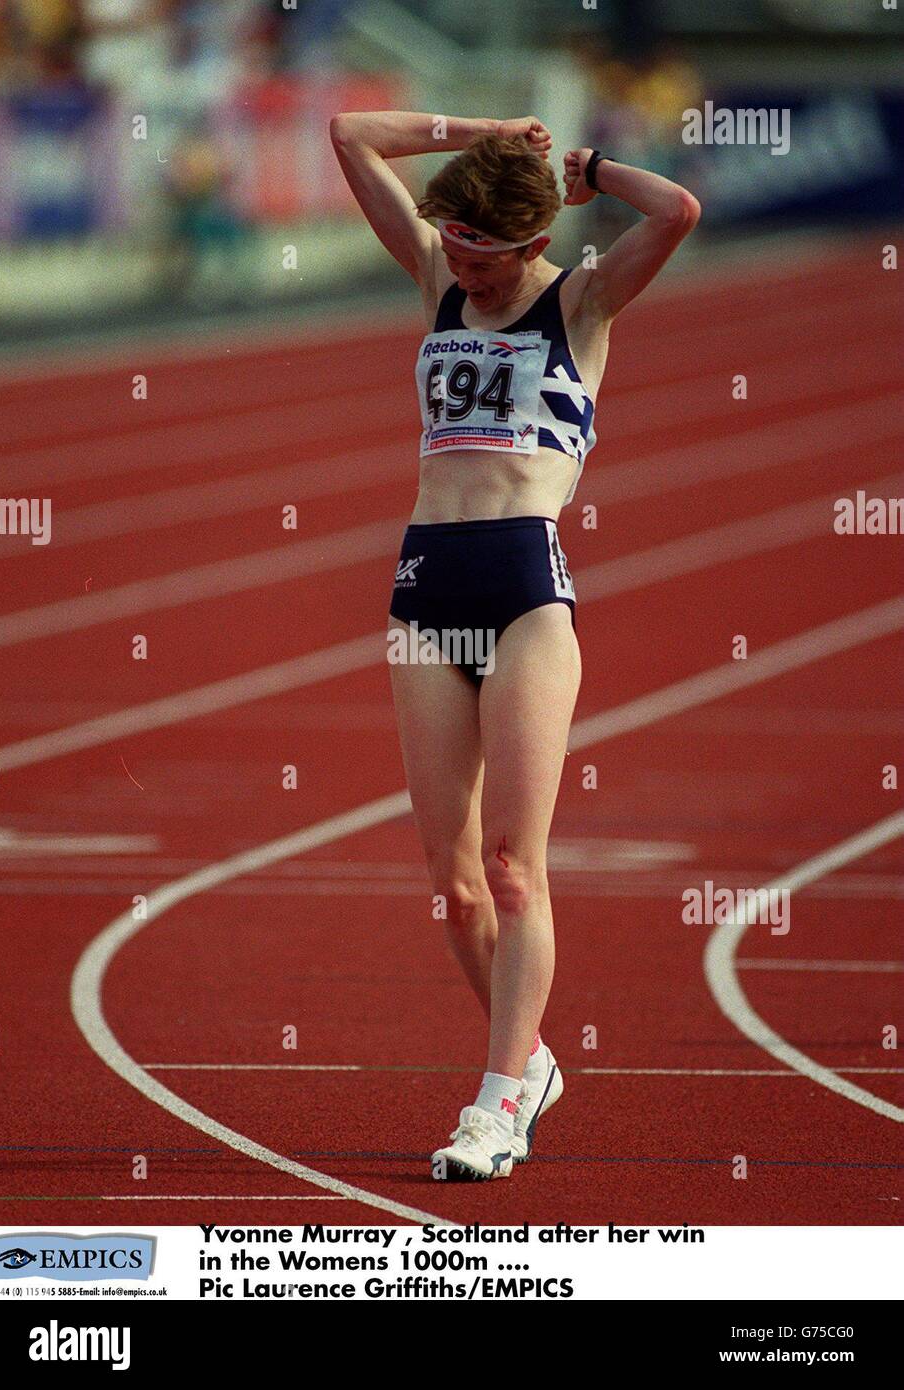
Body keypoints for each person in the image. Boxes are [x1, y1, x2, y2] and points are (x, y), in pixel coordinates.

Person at [330, 110, 700, 1180]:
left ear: (532, 245)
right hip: (423, 588)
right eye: (454, 246)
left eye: (483, 257)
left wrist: (588, 171)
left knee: (512, 864)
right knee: (452, 881)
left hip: (525, 592)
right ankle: (528, 1062)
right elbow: (353, 136)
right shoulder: (433, 281)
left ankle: (493, 1103)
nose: (464, 269)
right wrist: (487, 128)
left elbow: (675, 210)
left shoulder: (580, 301)